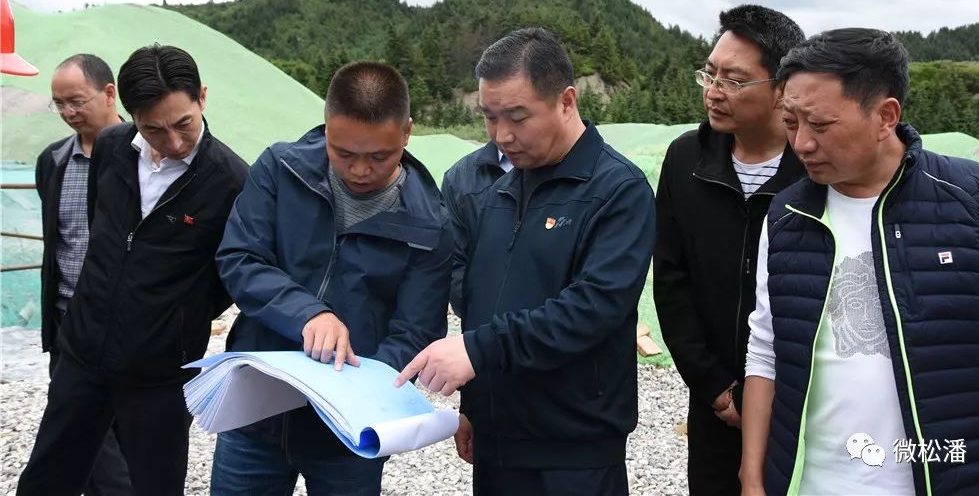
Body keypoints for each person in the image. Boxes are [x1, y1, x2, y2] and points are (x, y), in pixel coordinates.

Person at [396, 28, 656, 496]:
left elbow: (593, 308)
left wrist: (479, 351)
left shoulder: (617, 190)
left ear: (567, 100)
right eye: (490, 119)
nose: (502, 136)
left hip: (573, 449)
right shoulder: (498, 191)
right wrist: (475, 403)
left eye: (517, 117)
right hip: (498, 442)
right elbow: (479, 299)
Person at [741, 29, 979, 495]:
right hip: (812, 482)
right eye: (791, 122)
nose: (801, 144)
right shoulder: (787, 216)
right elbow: (766, 352)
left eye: (819, 126)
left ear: (885, 116)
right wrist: (753, 479)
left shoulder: (975, 201)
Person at [211, 61, 451, 495]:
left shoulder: (430, 223)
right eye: (343, 152)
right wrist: (307, 315)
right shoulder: (280, 170)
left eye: (379, 156)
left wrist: (359, 390)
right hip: (255, 416)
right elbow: (240, 258)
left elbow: (416, 330)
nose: (359, 170)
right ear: (325, 128)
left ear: (407, 131)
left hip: (348, 433)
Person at [18, 44, 248, 496]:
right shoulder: (111, 148)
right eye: (154, 129)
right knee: (48, 475)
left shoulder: (230, 179)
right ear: (130, 114)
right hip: (83, 353)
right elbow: (103, 231)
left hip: (160, 372)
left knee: (155, 485)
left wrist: (175, 319)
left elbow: (225, 277)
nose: (175, 142)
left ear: (201, 97)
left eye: (184, 123)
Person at [652, 5, 805, 494]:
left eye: (735, 81)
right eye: (710, 73)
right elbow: (671, 280)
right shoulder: (686, 159)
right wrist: (714, 387)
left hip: (798, 402)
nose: (713, 91)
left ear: (782, 88)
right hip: (714, 400)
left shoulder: (812, 170)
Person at [34, 54, 132, 495]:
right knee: (79, 436)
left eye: (76, 100)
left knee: (122, 438)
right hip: (68, 323)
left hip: (128, 325)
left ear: (109, 93)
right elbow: (59, 242)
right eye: (59, 104)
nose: (69, 112)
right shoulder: (53, 161)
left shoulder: (143, 156)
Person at [442, 136, 512, 317]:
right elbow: (453, 263)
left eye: (517, 116)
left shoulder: (581, 175)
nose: (503, 132)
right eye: (492, 118)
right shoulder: (459, 178)